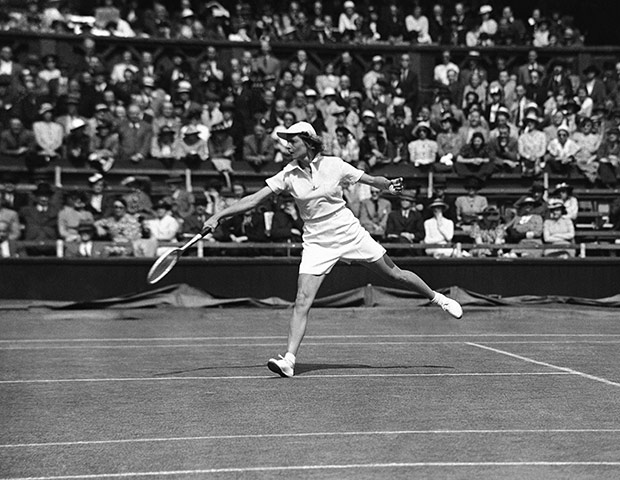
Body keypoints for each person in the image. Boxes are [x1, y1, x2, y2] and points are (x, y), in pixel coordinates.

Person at [201, 121, 463, 377]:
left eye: (292, 141)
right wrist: (219, 216)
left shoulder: (334, 164)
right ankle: (289, 360)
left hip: (348, 232)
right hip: (317, 242)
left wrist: (389, 185)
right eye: (286, 142)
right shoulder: (287, 174)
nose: (288, 146)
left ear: (308, 142)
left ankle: (438, 298)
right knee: (302, 299)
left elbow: (371, 180)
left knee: (395, 274)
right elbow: (253, 199)